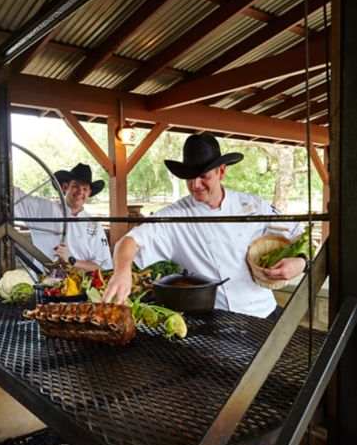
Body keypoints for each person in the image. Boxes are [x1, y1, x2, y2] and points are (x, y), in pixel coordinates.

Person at [103, 133, 307, 319]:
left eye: (203, 176)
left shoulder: (253, 204)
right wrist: (122, 271)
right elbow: (127, 242)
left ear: (221, 171)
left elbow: (298, 233)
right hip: (214, 318)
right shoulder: (175, 216)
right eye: (190, 177)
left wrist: (301, 263)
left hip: (265, 312)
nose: (195, 184)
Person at [14, 163, 112, 272]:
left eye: (85, 188)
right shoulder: (43, 209)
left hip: (80, 286)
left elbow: (104, 266)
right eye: (76, 186)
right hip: (44, 284)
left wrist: (71, 261)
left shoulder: (95, 225)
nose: (80, 191)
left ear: (89, 193)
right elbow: (14, 195)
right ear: (65, 187)